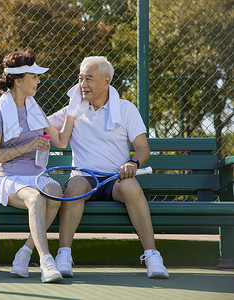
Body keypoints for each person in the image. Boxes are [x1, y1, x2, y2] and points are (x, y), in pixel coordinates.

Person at [48, 56, 169, 279]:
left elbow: (143, 148)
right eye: (80, 78)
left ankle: (152, 256)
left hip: (115, 180)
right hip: (84, 179)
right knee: (73, 187)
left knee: (132, 187)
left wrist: (133, 163)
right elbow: (41, 124)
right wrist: (14, 109)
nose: (82, 85)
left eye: (89, 79)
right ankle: (63, 255)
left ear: (106, 81)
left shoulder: (126, 109)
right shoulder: (73, 109)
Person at [0, 50, 76, 283]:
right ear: (19, 80)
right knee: (36, 198)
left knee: (55, 194)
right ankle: (46, 261)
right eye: (34, 76)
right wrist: (27, 146)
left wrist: (73, 110)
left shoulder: (36, 110)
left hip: (36, 175)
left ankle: (24, 254)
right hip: (9, 178)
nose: (38, 80)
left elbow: (61, 141)